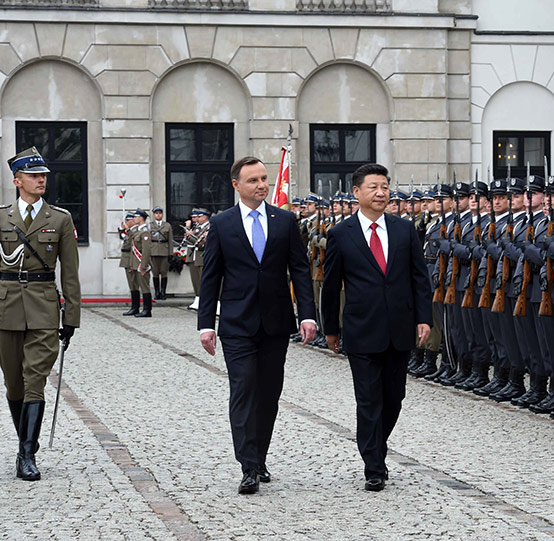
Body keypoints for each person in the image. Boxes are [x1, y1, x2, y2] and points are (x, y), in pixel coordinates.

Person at [198, 156, 316, 495]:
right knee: (244, 389)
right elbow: (211, 278)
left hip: (276, 323)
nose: (262, 185)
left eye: (264, 178)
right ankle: (247, 465)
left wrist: (307, 314)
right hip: (236, 324)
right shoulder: (222, 223)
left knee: (268, 395)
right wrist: (206, 324)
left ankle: (260, 455)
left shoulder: (285, 221)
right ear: (237, 185)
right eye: (253, 180)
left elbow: (300, 270)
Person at [321, 163, 432, 492]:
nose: (381, 192)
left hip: (399, 328)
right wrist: (331, 328)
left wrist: (423, 317)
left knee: (394, 398)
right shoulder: (340, 234)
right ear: (357, 193)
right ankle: (374, 464)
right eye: (374, 187)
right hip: (361, 329)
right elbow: (330, 285)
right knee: (368, 399)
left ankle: (375, 445)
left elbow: (418, 278)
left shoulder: (403, 230)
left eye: (385, 186)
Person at [1, 146, 80, 481]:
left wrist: (71, 317)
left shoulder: (60, 219)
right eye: (34, 176)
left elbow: (70, 273)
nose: (41, 180)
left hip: (45, 308)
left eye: (44, 176)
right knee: (14, 384)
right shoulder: (1, 217)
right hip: (5, 309)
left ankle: (26, 454)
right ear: (18, 180)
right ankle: (24, 446)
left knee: (35, 381)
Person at [149, 206, 173, 300]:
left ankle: (163, 292)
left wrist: (170, 253)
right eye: (156, 213)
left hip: (164, 250)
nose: (158, 215)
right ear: (154, 215)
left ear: (162, 214)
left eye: (160, 213)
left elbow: (170, 240)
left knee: (164, 272)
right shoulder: (150, 225)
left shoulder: (167, 225)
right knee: (155, 273)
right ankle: (157, 292)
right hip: (153, 250)